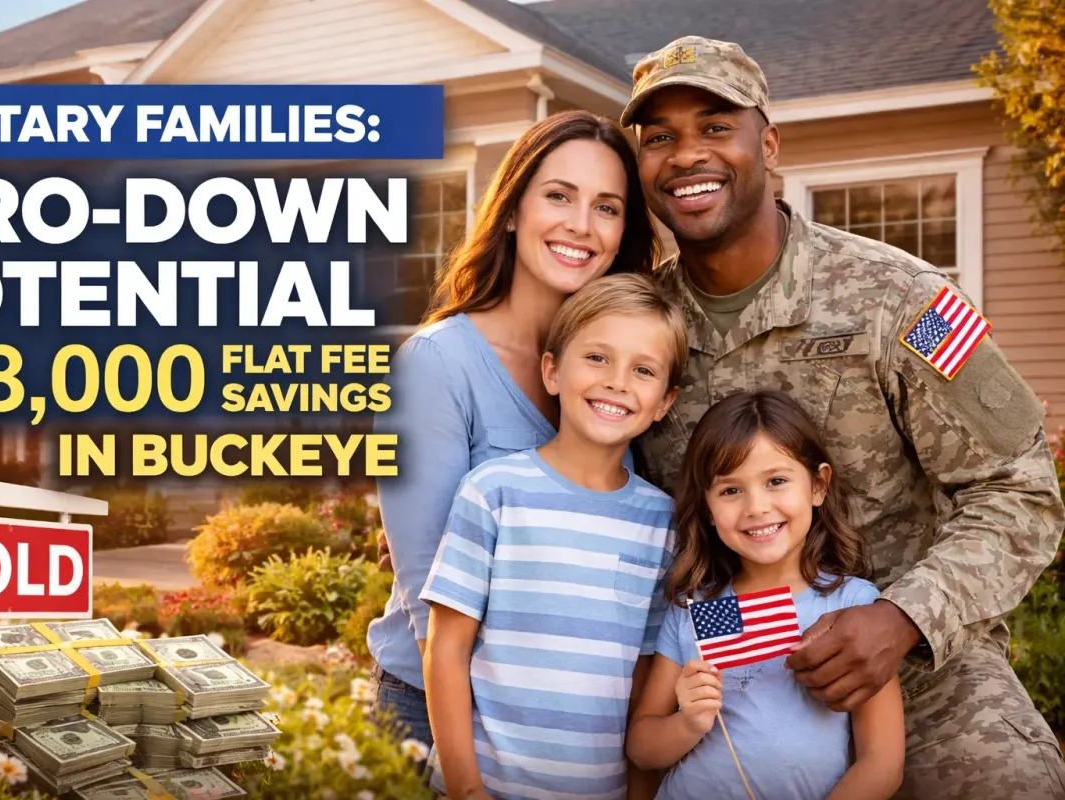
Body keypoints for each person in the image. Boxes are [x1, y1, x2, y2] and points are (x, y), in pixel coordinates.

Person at [622, 35, 1065, 798]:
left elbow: (1020, 492)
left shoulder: (906, 297)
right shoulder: (635, 329)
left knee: (1010, 782)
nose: (686, 154)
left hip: (918, 671)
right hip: (728, 671)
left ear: (768, 144)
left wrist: (901, 619)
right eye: (659, 138)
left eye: (716, 126)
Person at [368, 109, 663, 749]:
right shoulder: (436, 363)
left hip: (575, 720)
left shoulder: (620, 372)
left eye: (607, 207)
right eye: (558, 196)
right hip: (438, 711)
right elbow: (428, 604)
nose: (581, 225)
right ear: (510, 210)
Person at [420, 272, 687, 800]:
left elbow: (644, 675)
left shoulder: (662, 523)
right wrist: (466, 788)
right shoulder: (493, 492)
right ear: (552, 371)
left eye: (642, 370)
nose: (617, 382)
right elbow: (446, 651)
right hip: (485, 786)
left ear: (664, 402)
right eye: (597, 358)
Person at [628, 390, 905, 799]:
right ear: (706, 508)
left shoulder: (853, 607)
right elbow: (641, 747)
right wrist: (688, 722)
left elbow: (882, 764)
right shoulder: (698, 609)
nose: (756, 507)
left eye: (776, 481)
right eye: (730, 490)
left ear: (818, 485)